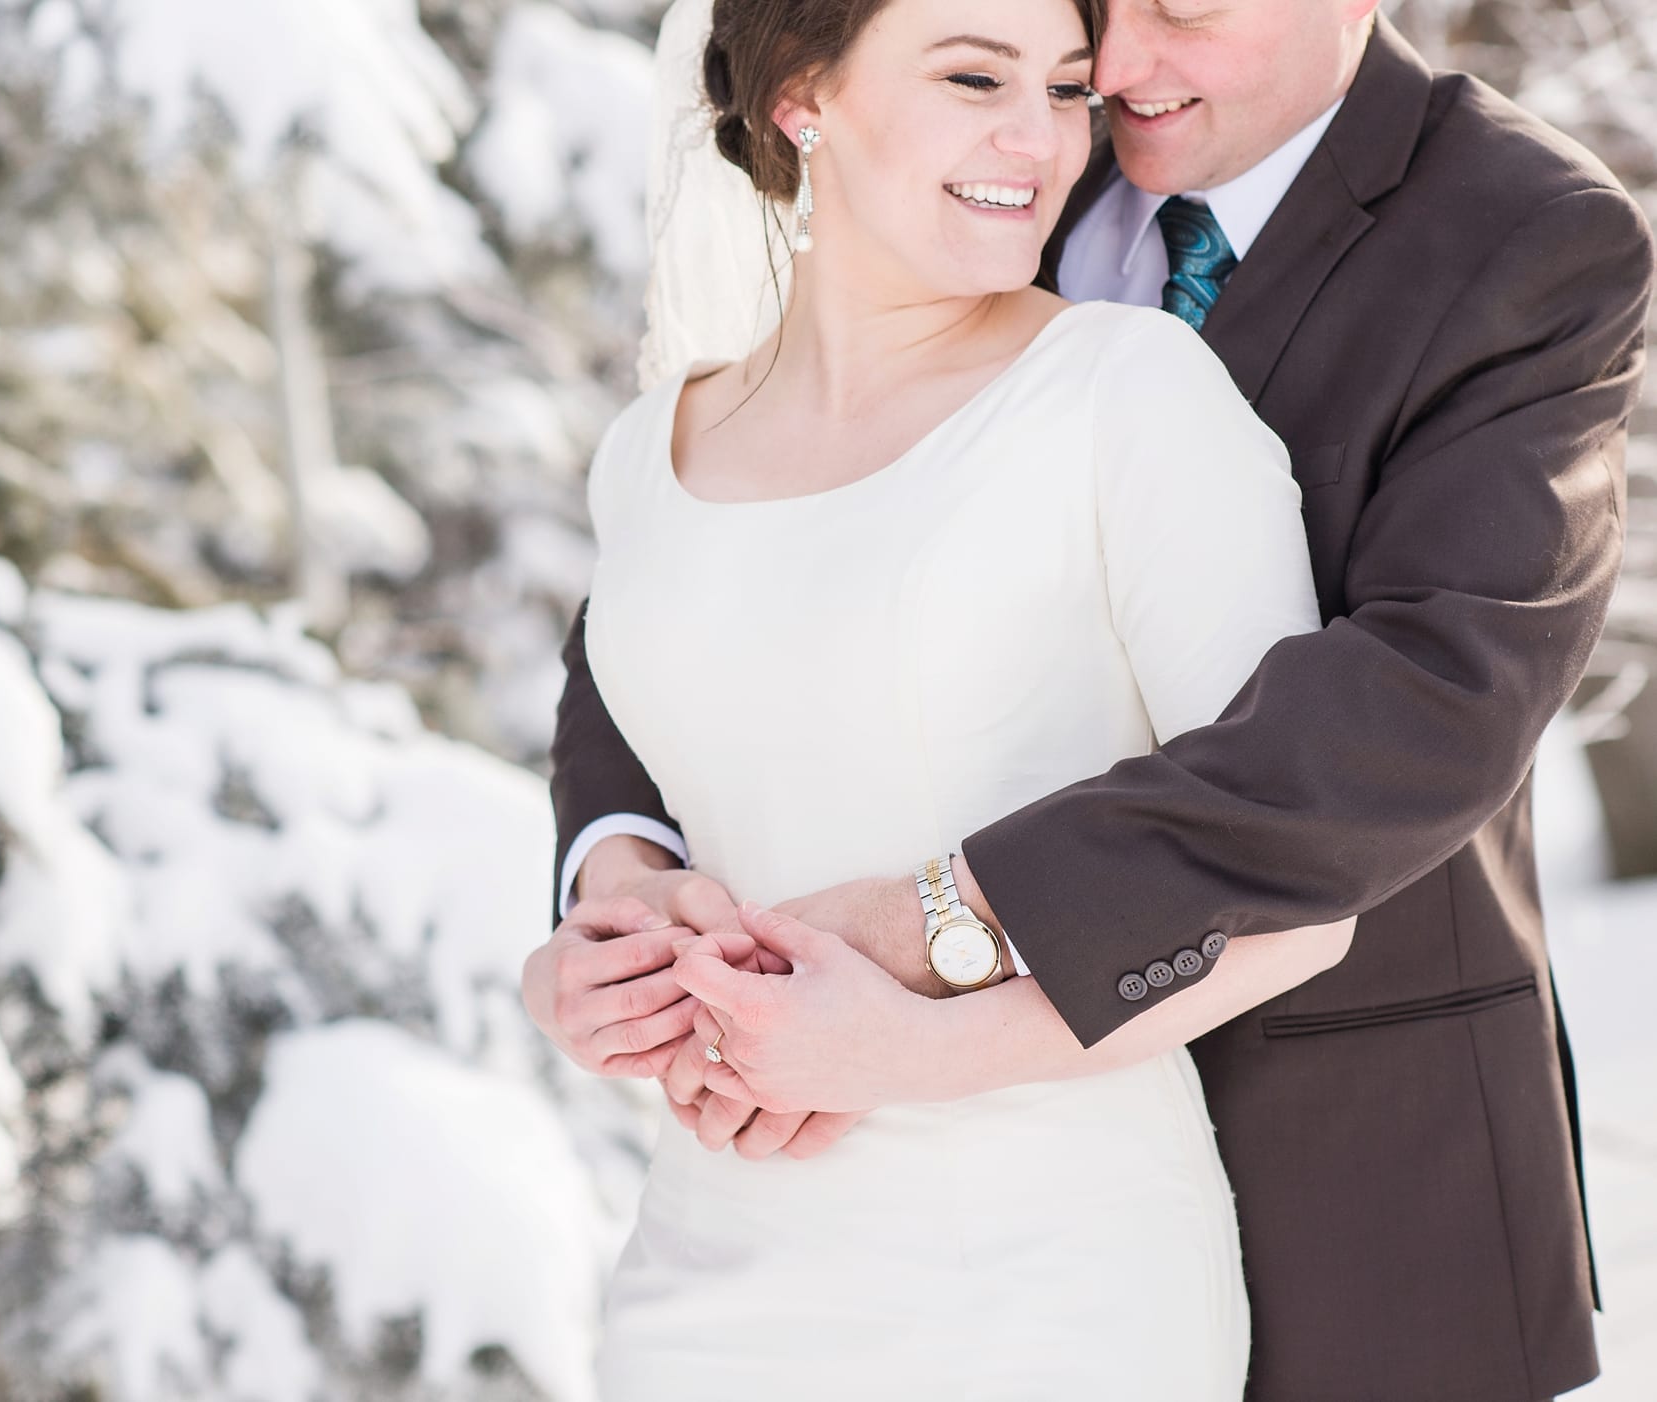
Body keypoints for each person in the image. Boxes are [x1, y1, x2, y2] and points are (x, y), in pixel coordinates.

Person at [530, 0, 1655, 1399]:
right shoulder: (997, 162)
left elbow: (1426, 705)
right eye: (1102, 13)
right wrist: (620, 888)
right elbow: (699, 592)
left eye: (1176, 11)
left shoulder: (1519, 233)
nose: (1109, 79)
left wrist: (929, 930)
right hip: (771, 1200)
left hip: (1336, 1158)